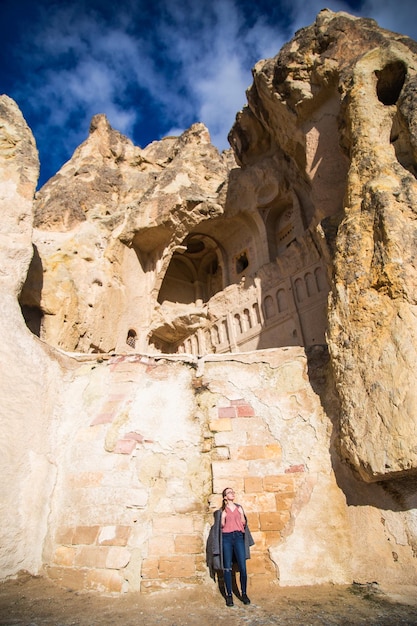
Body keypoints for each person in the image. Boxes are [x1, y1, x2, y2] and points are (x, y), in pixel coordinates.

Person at [206, 487, 254, 607]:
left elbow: (243, 524)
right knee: (227, 567)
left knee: (243, 566)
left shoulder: (239, 508)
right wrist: (223, 516)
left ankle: (244, 593)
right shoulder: (221, 511)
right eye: (229, 493)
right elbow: (221, 526)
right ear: (225, 497)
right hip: (226, 538)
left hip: (238, 537)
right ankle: (229, 596)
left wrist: (242, 514)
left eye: (233, 492)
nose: (232, 494)